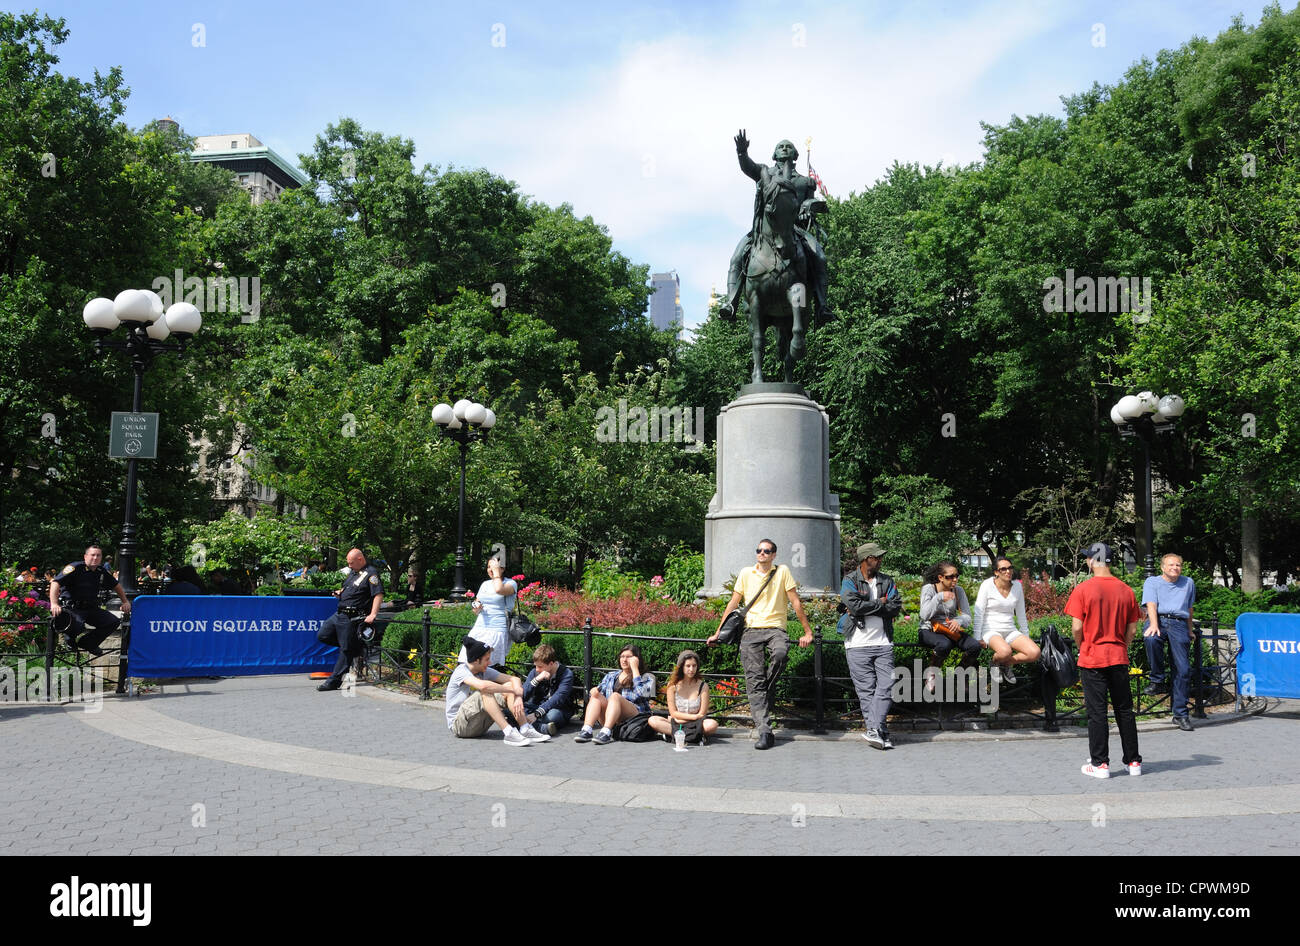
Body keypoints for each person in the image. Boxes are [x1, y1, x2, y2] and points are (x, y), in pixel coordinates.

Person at [706, 539, 814, 750]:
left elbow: (795, 602)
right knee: (753, 680)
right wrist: (718, 632)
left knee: (781, 654)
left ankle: (765, 688)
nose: (762, 553)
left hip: (775, 629)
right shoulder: (746, 573)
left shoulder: (782, 571)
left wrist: (808, 631)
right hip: (751, 631)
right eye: (759, 550)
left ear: (774, 554)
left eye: (766, 551)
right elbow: (733, 604)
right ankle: (764, 731)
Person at [718, 132, 830, 324]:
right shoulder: (764, 172)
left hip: (795, 229)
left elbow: (810, 200)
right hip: (764, 229)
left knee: (819, 256)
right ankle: (731, 303)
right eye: (781, 146)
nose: (785, 148)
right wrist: (741, 152)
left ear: (795, 155)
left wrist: (807, 207)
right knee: (737, 257)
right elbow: (747, 166)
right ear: (774, 155)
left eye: (789, 146)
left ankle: (822, 305)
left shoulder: (805, 181)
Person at [1065, 542, 1143, 778]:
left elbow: (1077, 627)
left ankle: (1100, 764)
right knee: (1125, 710)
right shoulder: (1126, 590)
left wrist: (1082, 646)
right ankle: (1133, 762)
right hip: (1118, 656)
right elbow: (1132, 629)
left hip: (1093, 657)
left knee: (1097, 712)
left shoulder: (1084, 589)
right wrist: (1122, 646)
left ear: (1091, 561)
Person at [838, 543, 903, 749]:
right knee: (866, 691)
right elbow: (853, 605)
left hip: (883, 642)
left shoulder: (887, 581)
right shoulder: (850, 580)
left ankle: (873, 729)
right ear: (867, 559)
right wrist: (880, 603)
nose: (881, 560)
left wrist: (873, 606)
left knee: (887, 685)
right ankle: (879, 732)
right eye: (877, 557)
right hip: (856, 644)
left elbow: (895, 607)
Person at [446, 637, 551, 746]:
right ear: (477, 660)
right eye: (487, 659)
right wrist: (512, 689)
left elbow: (515, 679)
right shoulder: (461, 671)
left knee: (508, 686)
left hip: (478, 726)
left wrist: (518, 697)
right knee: (486, 690)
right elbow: (482, 686)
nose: (490, 662)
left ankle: (525, 728)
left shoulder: (483, 670)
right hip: (459, 726)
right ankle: (509, 732)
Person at [1142, 552, 1197, 731]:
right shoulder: (1152, 582)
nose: (1175, 568)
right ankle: (1157, 679)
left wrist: (1189, 630)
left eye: (1178, 565)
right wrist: (1155, 624)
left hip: (1179, 623)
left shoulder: (1188, 582)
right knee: (1151, 638)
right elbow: (1151, 604)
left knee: (1183, 669)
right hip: (1157, 618)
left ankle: (1180, 714)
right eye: (1171, 565)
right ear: (1162, 567)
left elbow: (1189, 607)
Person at [315, 548, 383, 692]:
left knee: (346, 649)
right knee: (323, 634)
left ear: (360, 559)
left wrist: (373, 614)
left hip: (353, 617)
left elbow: (378, 594)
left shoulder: (371, 573)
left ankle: (334, 681)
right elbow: (350, 588)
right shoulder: (354, 573)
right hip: (340, 614)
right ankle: (354, 648)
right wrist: (340, 593)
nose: (349, 565)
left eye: (351, 563)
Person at [49, 544, 131, 657]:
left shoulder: (100, 571)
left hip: (91, 608)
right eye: (92, 555)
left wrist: (125, 601)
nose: (95, 558)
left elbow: (116, 585)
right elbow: (55, 582)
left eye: (98, 555)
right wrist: (54, 603)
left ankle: (88, 643)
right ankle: (70, 640)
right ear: (85, 556)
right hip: (73, 608)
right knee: (77, 626)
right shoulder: (75, 567)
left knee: (113, 622)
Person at [971, 557, 1040, 685]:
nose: (1008, 571)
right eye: (1003, 569)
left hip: (1010, 630)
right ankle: (995, 662)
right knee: (1005, 651)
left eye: (1010, 568)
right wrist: (977, 638)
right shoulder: (987, 585)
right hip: (990, 630)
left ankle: (1005, 664)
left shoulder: (1017, 586)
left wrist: (1026, 636)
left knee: (1034, 652)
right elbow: (979, 612)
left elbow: (1020, 614)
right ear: (996, 572)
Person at [917, 560, 979, 695]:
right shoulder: (929, 589)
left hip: (950, 630)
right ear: (940, 578)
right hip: (929, 629)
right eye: (950, 577)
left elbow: (968, 616)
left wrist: (959, 621)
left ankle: (960, 676)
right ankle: (931, 674)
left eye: (956, 575)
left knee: (974, 646)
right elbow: (924, 615)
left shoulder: (958, 591)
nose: (955, 579)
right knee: (944, 644)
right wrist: (939, 597)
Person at [574, 644, 656, 745]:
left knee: (615, 696)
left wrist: (635, 669)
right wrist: (594, 691)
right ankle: (587, 730)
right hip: (611, 718)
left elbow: (641, 693)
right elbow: (597, 696)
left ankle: (606, 733)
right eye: (622, 656)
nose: (624, 660)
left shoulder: (648, 677)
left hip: (634, 718)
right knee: (596, 696)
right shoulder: (611, 676)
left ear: (636, 659)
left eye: (629, 657)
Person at [649, 649, 719, 744]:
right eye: (688, 666)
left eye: (694, 666)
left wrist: (684, 719)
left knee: (712, 725)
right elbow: (673, 713)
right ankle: (694, 736)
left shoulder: (703, 686)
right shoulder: (672, 686)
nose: (691, 669)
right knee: (653, 720)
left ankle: (676, 735)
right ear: (681, 667)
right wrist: (692, 717)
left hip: (695, 723)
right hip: (676, 722)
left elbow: (702, 714)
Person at [457, 558, 517, 669]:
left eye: (493, 567)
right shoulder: (485, 584)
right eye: (488, 567)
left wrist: (496, 574)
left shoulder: (510, 583)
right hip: (480, 627)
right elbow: (476, 605)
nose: (490, 570)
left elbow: (499, 590)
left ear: (502, 568)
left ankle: (491, 685)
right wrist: (476, 606)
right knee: (465, 660)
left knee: (487, 664)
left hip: (497, 629)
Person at [522, 643, 576, 736]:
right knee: (512, 711)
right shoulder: (535, 672)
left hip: (557, 709)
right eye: (535, 666)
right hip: (536, 706)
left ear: (551, 664)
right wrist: (537, 679)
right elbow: (523, 695)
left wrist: (536, 714)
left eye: (540, 666)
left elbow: (558, 699)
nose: (537, 669)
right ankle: (542, 728)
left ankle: (524, 724)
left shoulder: (566, 674)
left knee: (553, 716)